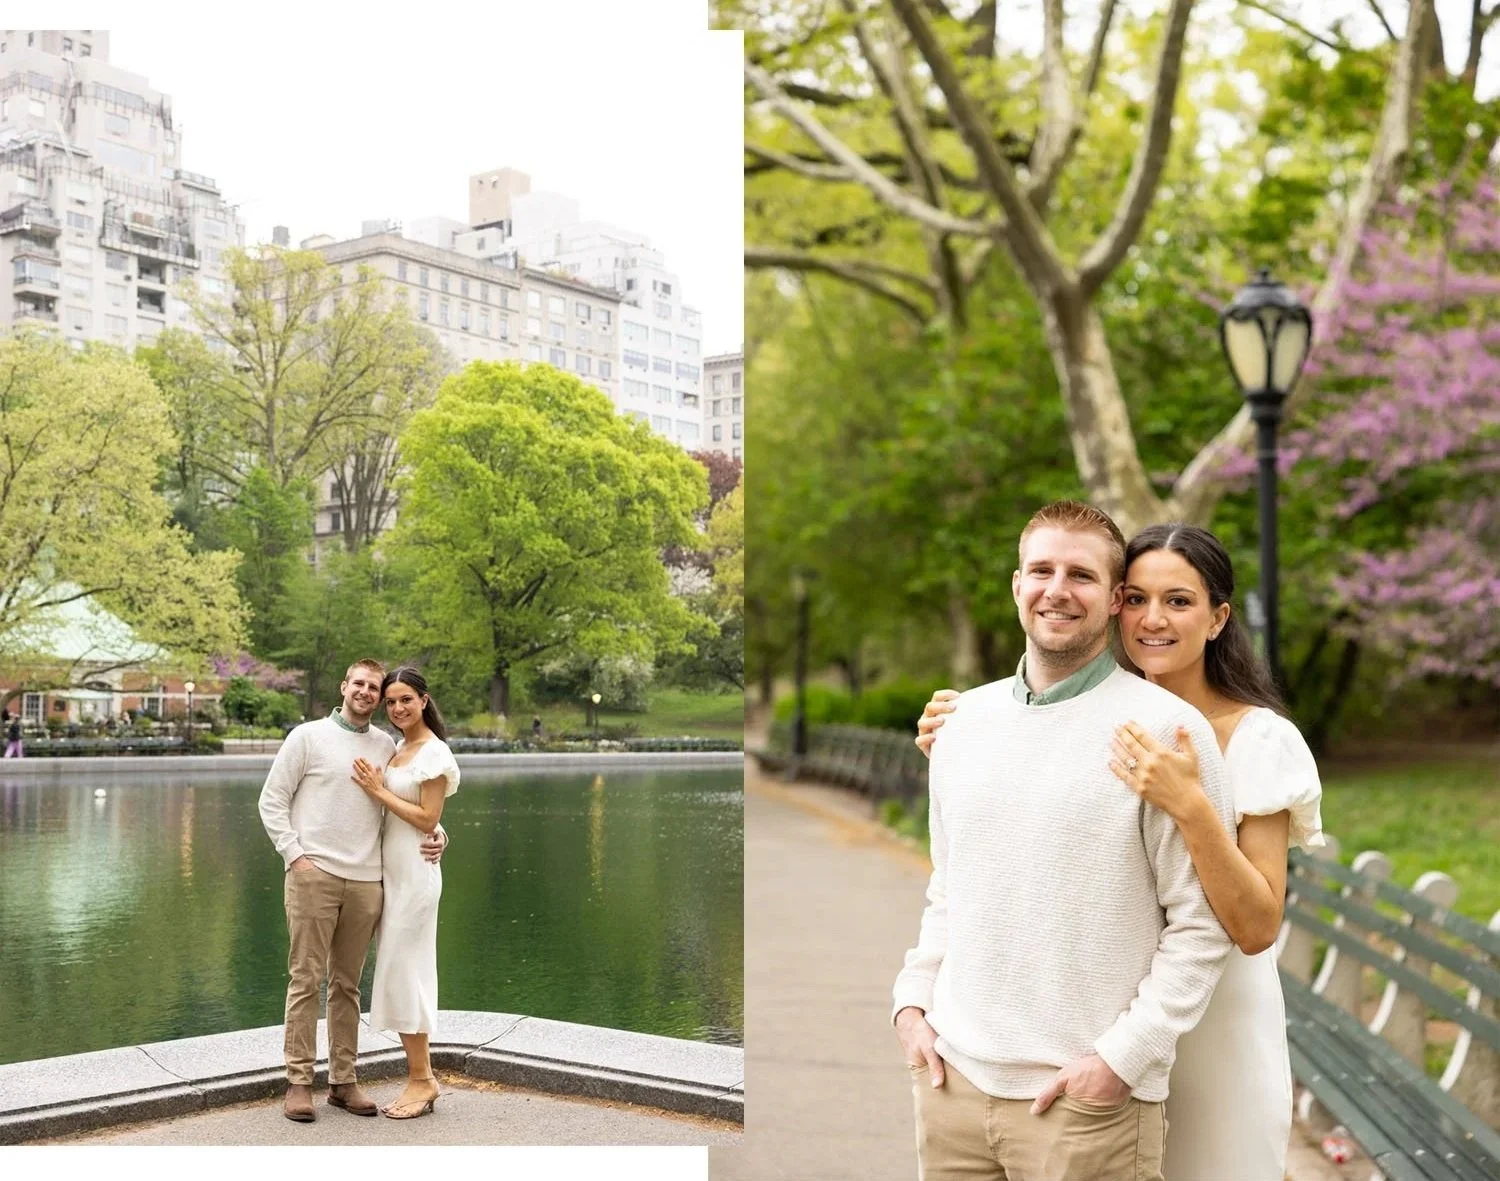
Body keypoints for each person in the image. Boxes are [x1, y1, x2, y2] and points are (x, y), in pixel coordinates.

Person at [917, 520, 1325, 1180]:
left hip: (1214, 1023)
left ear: (1219, 618)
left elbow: (1255, 926)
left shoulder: (1256, 739)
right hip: (1105, 1014)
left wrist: (1191, 805)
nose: (1151, 619)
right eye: (1136, 597)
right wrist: (969, 731)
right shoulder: (1106, 719)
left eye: (1178, 600)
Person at [257, 659, 446, 1123]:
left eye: (373, 687)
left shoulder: (387, 746)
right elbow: (272, 800)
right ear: (344, 687)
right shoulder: (307, 737)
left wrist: (441, 835)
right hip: (313, 874)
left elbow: (415, 804)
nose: (366, 692)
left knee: (347, 986)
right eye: (358, 684)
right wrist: (295, 857)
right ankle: (299, 1083)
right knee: (305, 981)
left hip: (368, 881)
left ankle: (344, 1082)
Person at [352, 666, 460, 1119]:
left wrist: (378, 791)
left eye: (405, 700)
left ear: (423, 700)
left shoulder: (434, 753)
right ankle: (419, 1076)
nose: (396, 708)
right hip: (391, 874)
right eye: (390, 701)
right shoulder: (398, 749)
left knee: (408, 972)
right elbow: (418, 820)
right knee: (397, 972)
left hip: (415, 878)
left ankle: (422, 1080)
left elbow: (426, 819)